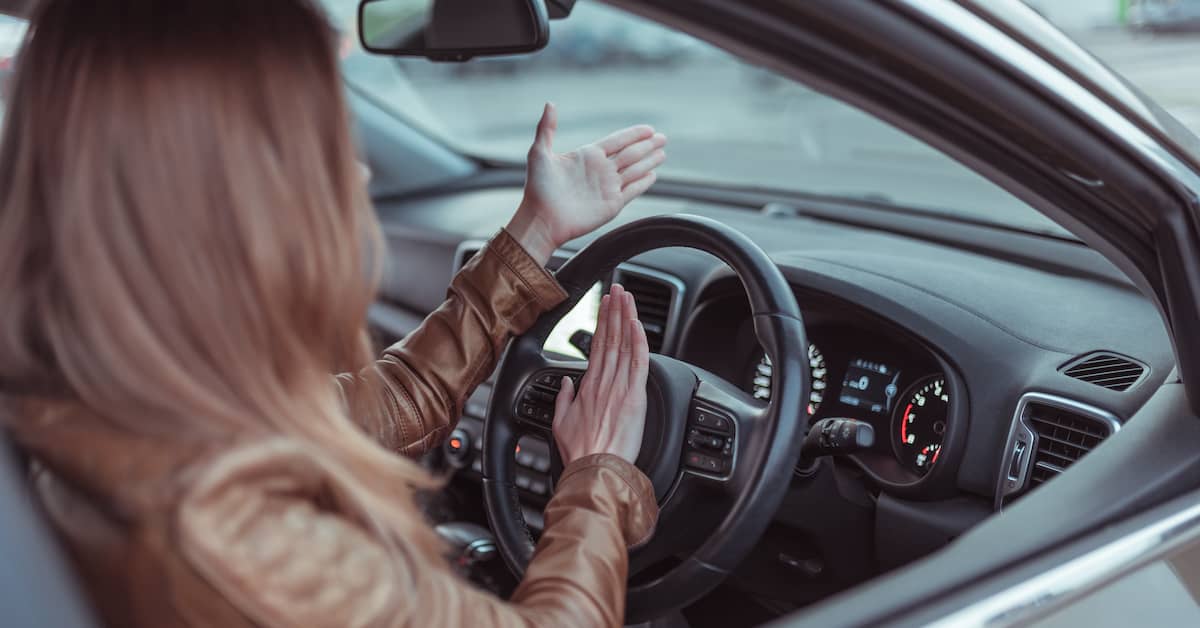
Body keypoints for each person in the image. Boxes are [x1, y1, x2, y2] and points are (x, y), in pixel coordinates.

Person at [0, 0, 668, 626]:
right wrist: (598, 481)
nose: (358, 176)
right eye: (320, 146)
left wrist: (537, 231)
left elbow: (387, 404)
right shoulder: (241, 543)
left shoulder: (108, 406)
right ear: (221, 198)